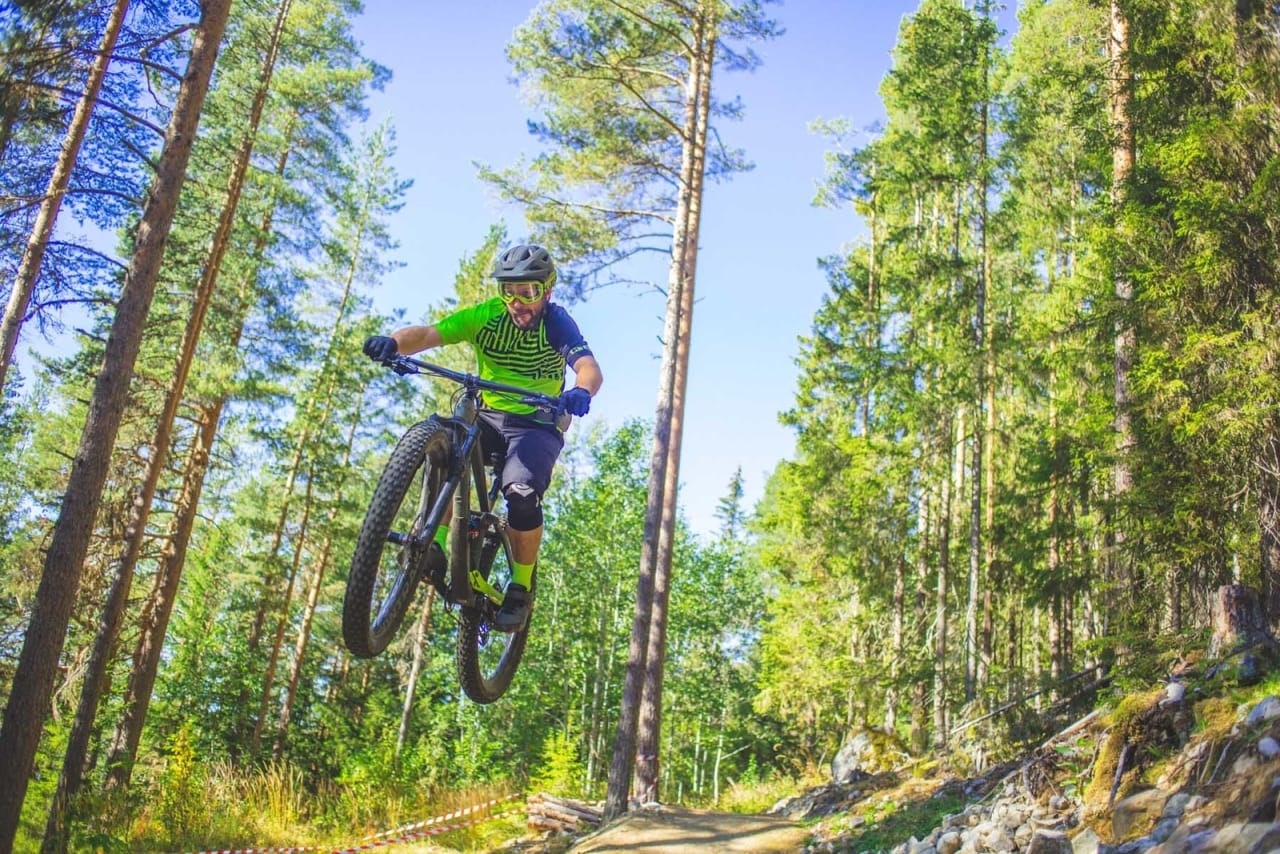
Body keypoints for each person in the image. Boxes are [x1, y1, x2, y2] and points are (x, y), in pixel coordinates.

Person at [362, 244, 603, 632]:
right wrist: (392, 343)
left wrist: (581, 391)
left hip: (536, 424)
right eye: (509, 291)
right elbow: (428, 333)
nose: (518, 302)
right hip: (489, 417)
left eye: (530, 293)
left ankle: (520, 587)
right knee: (447, 445)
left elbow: (588, 367)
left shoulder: (557, 324)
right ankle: (435, 544)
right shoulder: (486, 318)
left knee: (521, 494)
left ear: (548, 291)